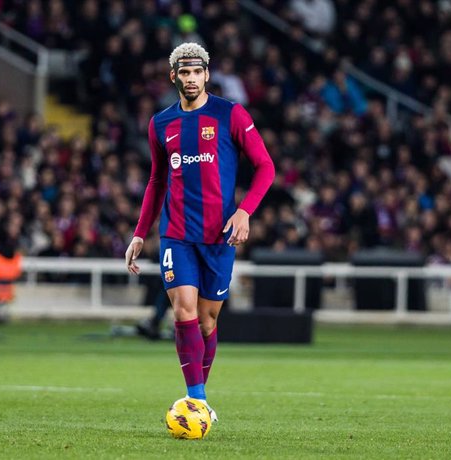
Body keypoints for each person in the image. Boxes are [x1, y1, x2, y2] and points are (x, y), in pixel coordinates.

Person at [124, 43, 275, 421]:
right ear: (173, 76)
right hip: (177, 234)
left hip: (220, 236)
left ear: (207, 74)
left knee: (208, 320)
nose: (191, 79)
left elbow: (266, 167)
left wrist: (244, 212)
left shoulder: (231, 115)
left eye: (197, 72)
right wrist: (140, 233)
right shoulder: (160, 123)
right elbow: (157, 180)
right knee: (183, 311)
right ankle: (198, 401)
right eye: (184, 73)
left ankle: (199, 397)